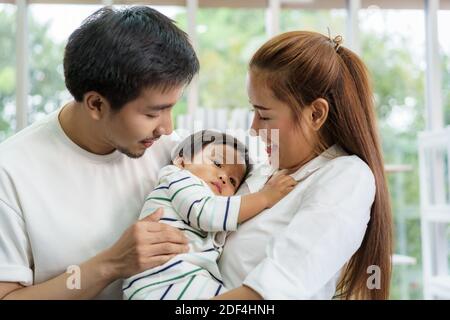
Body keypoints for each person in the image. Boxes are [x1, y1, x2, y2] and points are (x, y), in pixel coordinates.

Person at [0, 6, 200, 299]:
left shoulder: (176, 154)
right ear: (95, 104)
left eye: (172, 108)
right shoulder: (11, 172)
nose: (167, 129)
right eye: (153, 113)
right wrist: (110, 264)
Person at [215, 31, 393, 300]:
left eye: (263, 115)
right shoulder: (266, 170)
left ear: (316, 114)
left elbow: (270, 292)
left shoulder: (347, 178)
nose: (253, 129)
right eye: (253, 111)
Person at [122, 130, 296, 300]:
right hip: (161, 280)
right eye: (218, 164)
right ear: (182, 161)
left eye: (232, 181)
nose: (223, 178)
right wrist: (264, 197)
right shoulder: (178, 178)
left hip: (184, 279)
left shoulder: (206, 195)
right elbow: (206, 212)